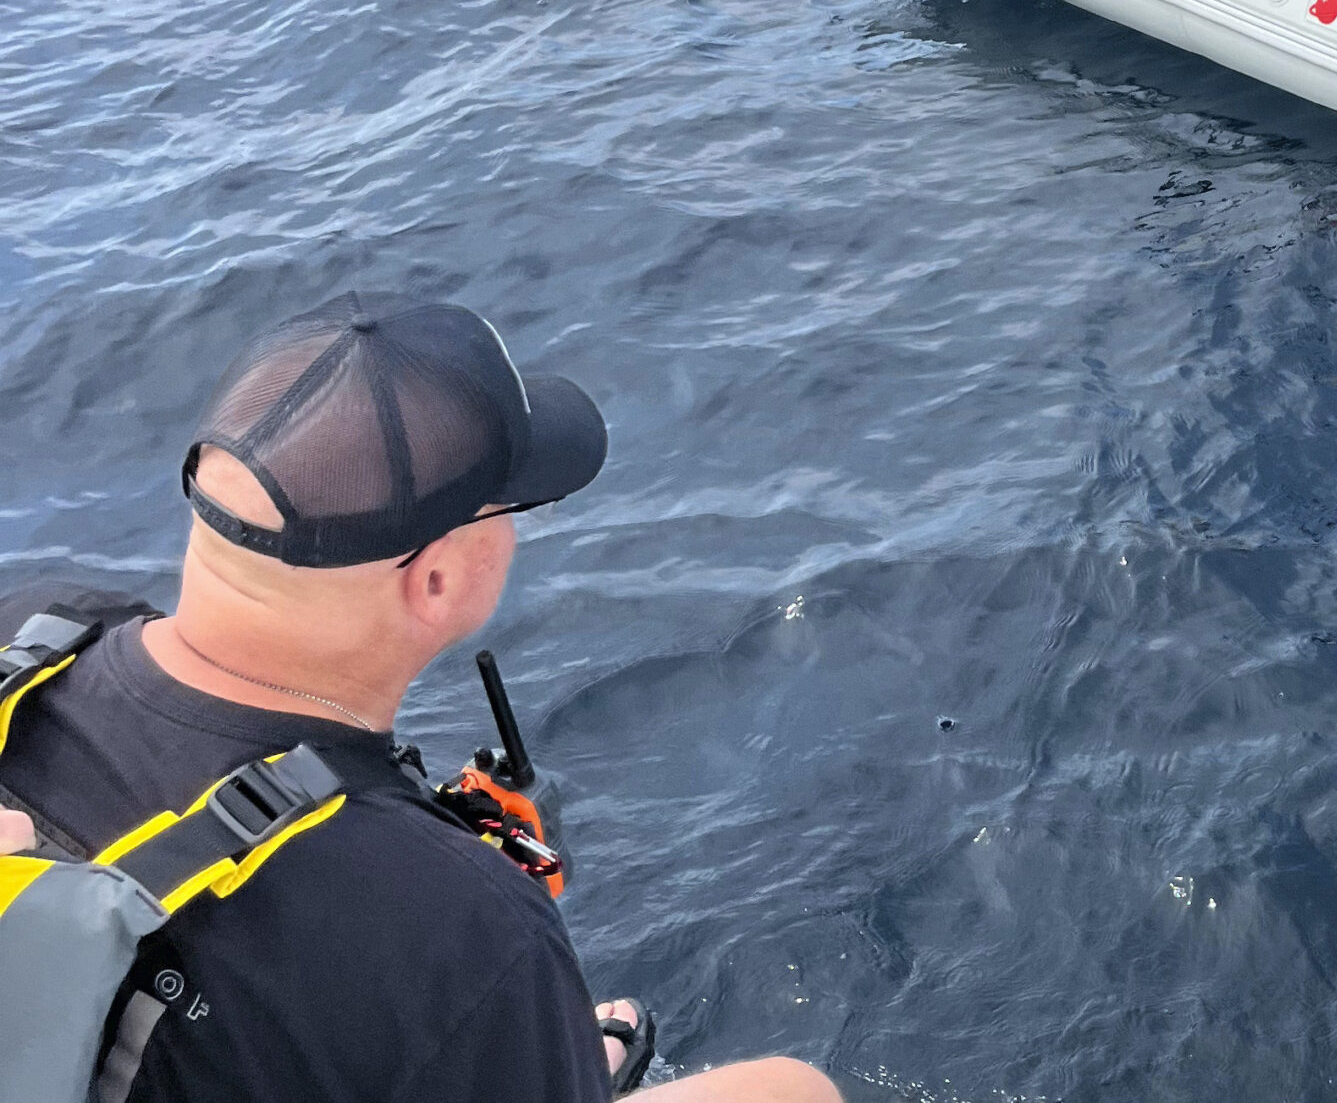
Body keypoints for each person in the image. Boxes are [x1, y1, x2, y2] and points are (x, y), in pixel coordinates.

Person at [0, 292, 842, 1103]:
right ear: (437, 578)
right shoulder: (467, 931)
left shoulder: (35, 623)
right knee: (792, 1090)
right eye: (512, 509)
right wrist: (487, 967)